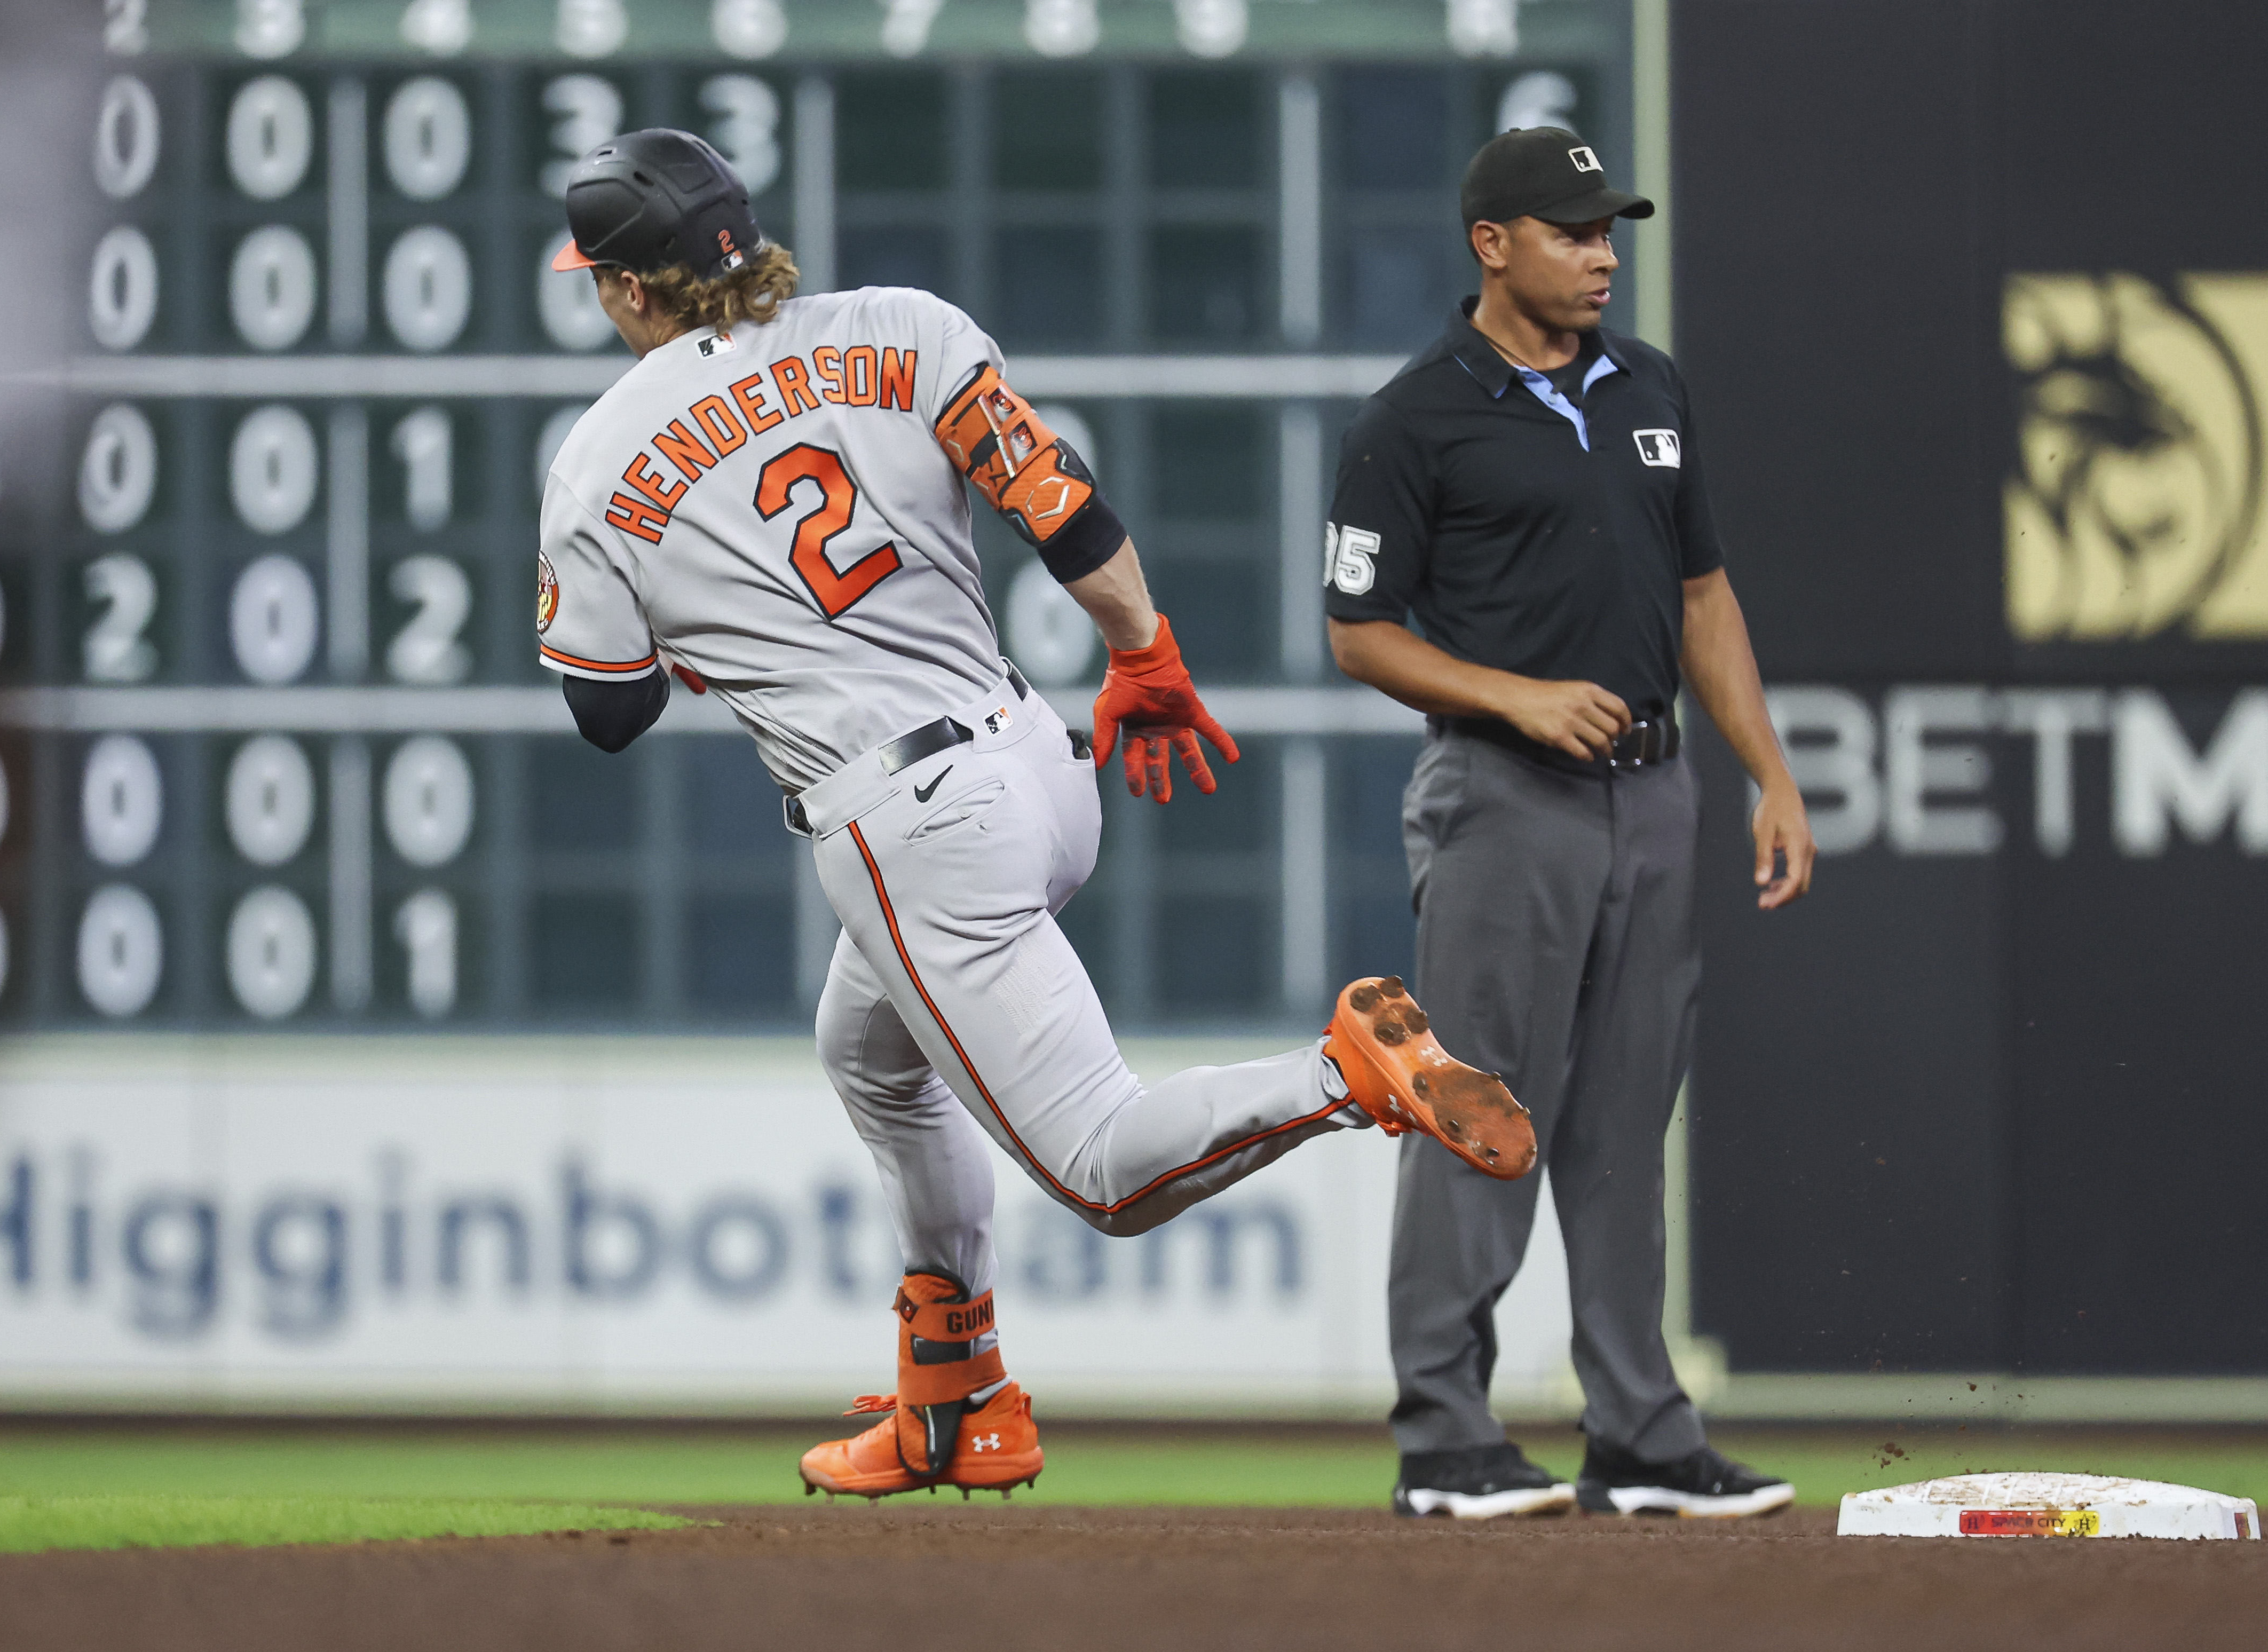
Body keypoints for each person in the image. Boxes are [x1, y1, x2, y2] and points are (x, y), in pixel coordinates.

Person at [535, 129, 1534, 1500]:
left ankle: (1347, 1076)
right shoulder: (904, 326)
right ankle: (958, 1399)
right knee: (870, 1054)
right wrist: (1148, 656)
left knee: (1103, 1172)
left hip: (910, 824)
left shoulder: (598, 462)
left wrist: (706, 624)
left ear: (632, 291)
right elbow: (1058, 509)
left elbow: (609, 711)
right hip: (1040, 763)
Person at [1323, 128, 1817, 1520]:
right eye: (1573, 230)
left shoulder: (1649, 387)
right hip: (1504, 795)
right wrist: (1517, 698)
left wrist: (1768, 773)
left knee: (1619, 1125)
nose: (1604, 253)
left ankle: (1640, 1429)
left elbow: (1705, 595)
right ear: (1493, 243)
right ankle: (1445, 1429)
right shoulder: (1414, 416)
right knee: (1476, 1108)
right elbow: (1357, 632)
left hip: (1655, 793)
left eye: (1610, 230)